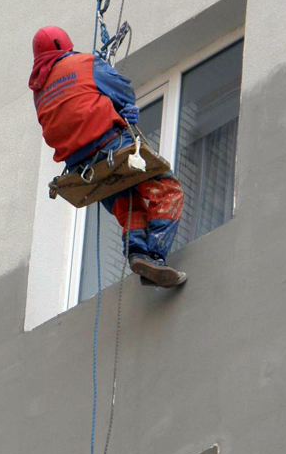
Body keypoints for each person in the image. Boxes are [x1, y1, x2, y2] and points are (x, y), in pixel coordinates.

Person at [30, 26, 187, 288]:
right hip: (111, 146)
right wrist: (121, 104)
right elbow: (123, 89)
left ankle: (138, 255)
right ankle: (156, 256)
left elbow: (70, 109)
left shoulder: (39, 91)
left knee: (127, 203)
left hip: (82, 169)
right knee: (168, 190)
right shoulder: (85, 63)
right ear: (65, 44)